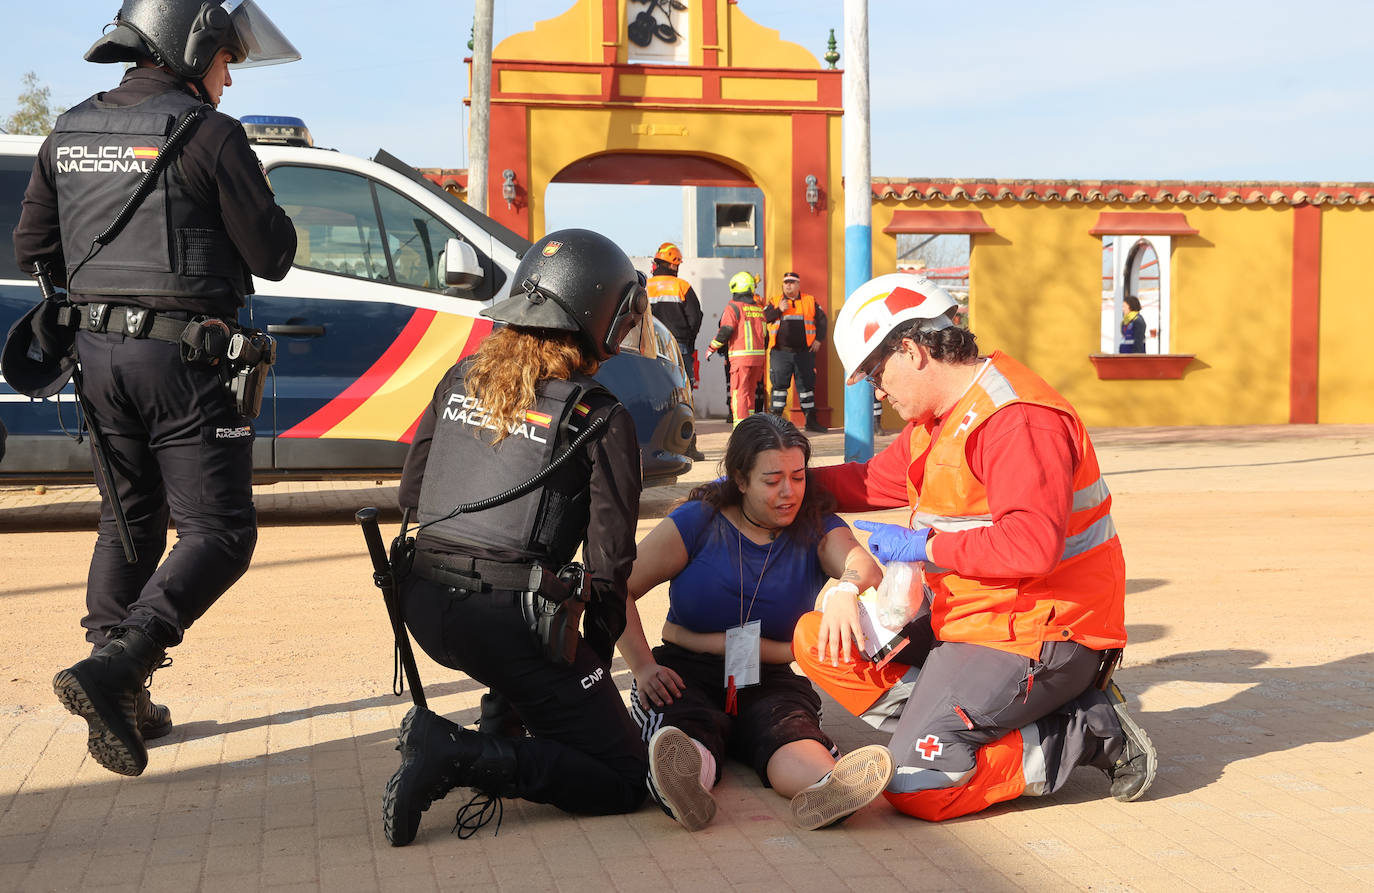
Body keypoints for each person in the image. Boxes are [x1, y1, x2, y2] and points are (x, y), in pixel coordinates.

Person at [13, 0, 300, 777]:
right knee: (220, 532)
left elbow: (32, 243)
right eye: (226, 58)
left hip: (95, 360)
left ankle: (120, 690)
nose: (229, 74)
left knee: (129, 517)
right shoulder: (211, 134)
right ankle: (120, 666)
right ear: (193, 45)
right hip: (185, 360)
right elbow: (272, 255)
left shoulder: (67, 128)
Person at [792, 272, 1157, 821]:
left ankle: (1085, 729)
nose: (876, 391)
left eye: (874, 374)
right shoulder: (935, 420)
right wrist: (779, 483)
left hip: (1042, 631)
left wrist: (925, 548)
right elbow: (871, 482)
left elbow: (1031, 547)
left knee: (916, 785)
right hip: (970, 616)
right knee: (819, 641)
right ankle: (950, 722)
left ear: (911, 351)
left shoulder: (1017, 422)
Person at [383, 229, 651, 846]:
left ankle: (502, 722)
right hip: (510, 623)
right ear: (594, 313)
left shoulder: (461, 378)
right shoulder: (600, 415)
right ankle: (454, 754)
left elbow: (412, 496)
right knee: (621, 776)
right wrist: (592, 659)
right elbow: (610, 562)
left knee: (528, 650)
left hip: (423, 604)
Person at [619, 413, 894, 831]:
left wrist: (846, 589)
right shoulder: (700, 520)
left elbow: (860, 565)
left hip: (769, 677)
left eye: (798, 477)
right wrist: (642, 666)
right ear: (740, 479)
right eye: (772, 480)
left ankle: (828, 786)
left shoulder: (815, 526)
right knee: (686, 727)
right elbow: (616, 588)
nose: (789, 493)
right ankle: (686, 788)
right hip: (684, 672)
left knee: (789, 729)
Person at [646, 242, 706, 460]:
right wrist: (688, 339)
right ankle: (688, 446)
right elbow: (695, 317)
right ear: (674, 265)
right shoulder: (681, 286)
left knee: (655, 393)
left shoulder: (646, 287)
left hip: (651, 347)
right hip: (678, 346)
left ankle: (654, 444)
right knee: (684, 393)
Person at [764, 271, 828, 433]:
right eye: (786, 282)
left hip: (804, 353)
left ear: (798, 285)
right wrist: (778, 309)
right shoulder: (775, 301)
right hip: (780, 353)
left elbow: (822, 320)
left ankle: (811, 421)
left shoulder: (809, 300)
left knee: (806, 388)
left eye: (792, 282)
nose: (788, 285)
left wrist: (819, 339)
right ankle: (775, 422)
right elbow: (763, 318)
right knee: (779, 388)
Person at [707, 272, 768, 427]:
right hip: (758, 359)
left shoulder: (733, 308)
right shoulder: (759, 309)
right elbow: (765, 336)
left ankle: (740, 428)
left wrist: (711, 348)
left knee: (739, 393)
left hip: (741, 359)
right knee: (751, 393)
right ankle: (751, 425)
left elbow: (726, 330)